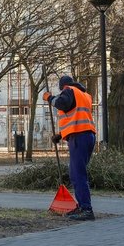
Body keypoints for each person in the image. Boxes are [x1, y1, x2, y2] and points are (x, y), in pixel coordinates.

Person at [44, 75, 97, 221]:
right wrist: (61, 135)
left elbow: (62, 103)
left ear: (62, 86)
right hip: (87, 135)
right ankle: (82, 206)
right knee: (79, 173)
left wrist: (49, 98)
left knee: (77, 174)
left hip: (79, 137)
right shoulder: (85, 95)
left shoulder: (68, 90)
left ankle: (86, 209)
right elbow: (76, 117)